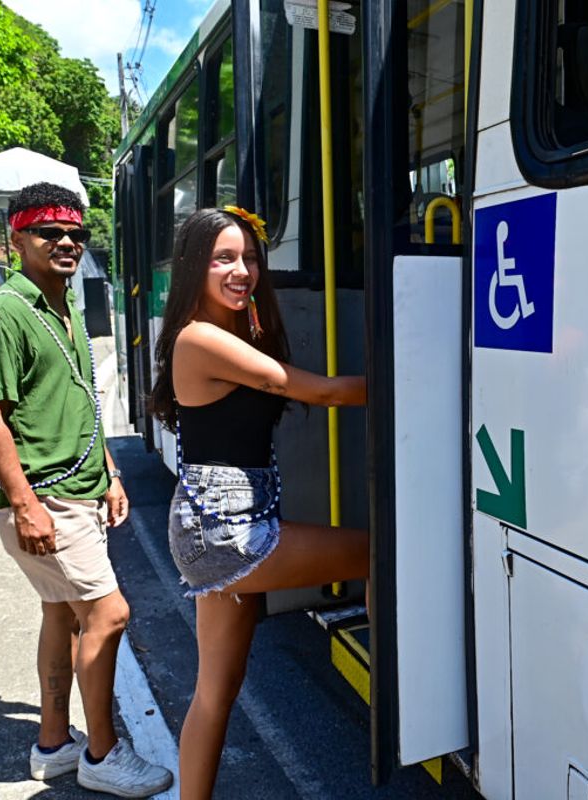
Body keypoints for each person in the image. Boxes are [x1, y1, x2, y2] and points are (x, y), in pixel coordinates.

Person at [150, 207, 367, 798]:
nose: (241, 270)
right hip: (227, 530)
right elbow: (319, 391)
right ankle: (409, 698)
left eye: (249, 257)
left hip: (214, 525)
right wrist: (419, 375)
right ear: (196, 265)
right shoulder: (201, 339)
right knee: (375, 554)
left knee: (218, 687)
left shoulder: (229, 333)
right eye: (224, 257)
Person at [0, 182, 173, 798]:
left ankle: (54, 744)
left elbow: (79, 402)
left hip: (76, 492)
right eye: (47, 232)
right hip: (45, 501)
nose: (65, 243)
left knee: (61, 613)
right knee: (108, 616)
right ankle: (103, 755)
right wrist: (26, 504)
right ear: (16, 239)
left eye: (76, 234)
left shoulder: (67, 310)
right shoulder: (5, 313)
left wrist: (109, 472)